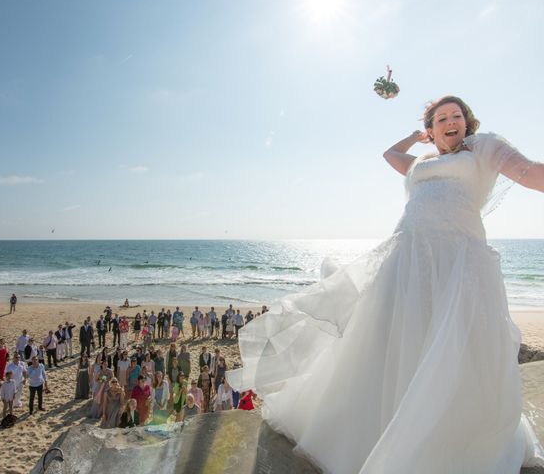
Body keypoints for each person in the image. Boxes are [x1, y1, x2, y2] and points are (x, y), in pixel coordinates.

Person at [228, 96, 544, 473]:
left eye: (456, 116)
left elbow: (528, 172)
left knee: (459, 349)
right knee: (393, 343)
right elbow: (390, 154)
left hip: (460, 265)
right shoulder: (422, 162)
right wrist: (415, 136)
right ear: (432, 130)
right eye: (440, 118)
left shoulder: (483, 149)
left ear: (467, 122)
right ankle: (383, 431)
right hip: (407, 261)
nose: (450, 122)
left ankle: (449, 441)